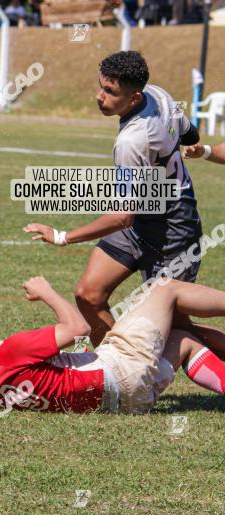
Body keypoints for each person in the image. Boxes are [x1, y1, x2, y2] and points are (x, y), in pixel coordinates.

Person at [24, 51, 203, 347]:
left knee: (175, 331)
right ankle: (114, 372)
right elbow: (190, 134)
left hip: (173, 229)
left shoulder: (132, 141)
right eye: (100, 86)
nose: (99, 96)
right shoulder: (158, 95)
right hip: (143, 217)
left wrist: (62, 236)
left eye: (110, 92)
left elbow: (122, 216)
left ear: (133, 99)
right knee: (89, 294)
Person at [0, 275, 225, 415]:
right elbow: (79, 328)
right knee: (165, 289)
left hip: (128, 404)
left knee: (181, 340)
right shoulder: (7, 352)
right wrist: (46, 292)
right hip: (120, 372)